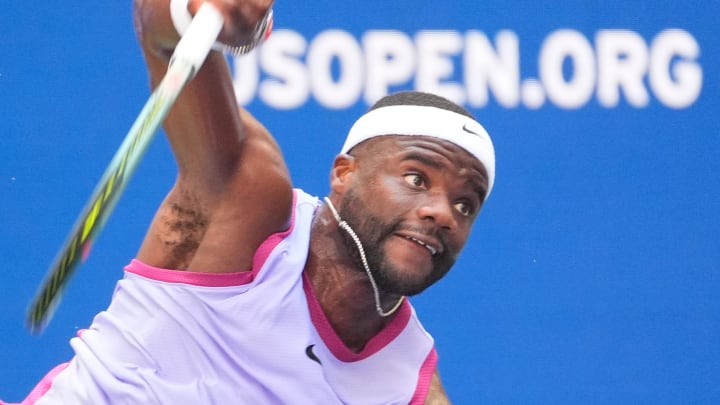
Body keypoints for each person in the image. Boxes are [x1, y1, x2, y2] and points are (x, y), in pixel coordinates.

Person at [6, 0, 495, 403]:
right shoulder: (251, 204)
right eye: (415, 178)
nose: (441, 213)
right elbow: (160, 34)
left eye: (466, 205)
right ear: (344, 174)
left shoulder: (408, 385)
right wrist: (190, 10)